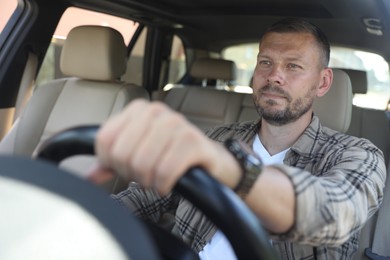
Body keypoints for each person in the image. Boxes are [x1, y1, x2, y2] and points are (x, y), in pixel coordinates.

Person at [92, 18, 386, 259]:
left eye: (293, 66)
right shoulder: (216, 139)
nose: (274, 77)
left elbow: (333, 213)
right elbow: (141, 198)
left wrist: (231, 170)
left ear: (322, 83)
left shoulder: (357, 154)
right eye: (265, 63)